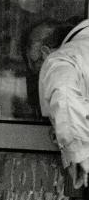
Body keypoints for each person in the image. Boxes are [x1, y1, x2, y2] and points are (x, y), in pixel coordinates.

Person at [25, 18, 89, 188]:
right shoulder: (83, 48)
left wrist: (80, 154)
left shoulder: (58, 60)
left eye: (34, 62)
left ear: (45, 52)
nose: (33, 71)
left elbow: (63, 92)